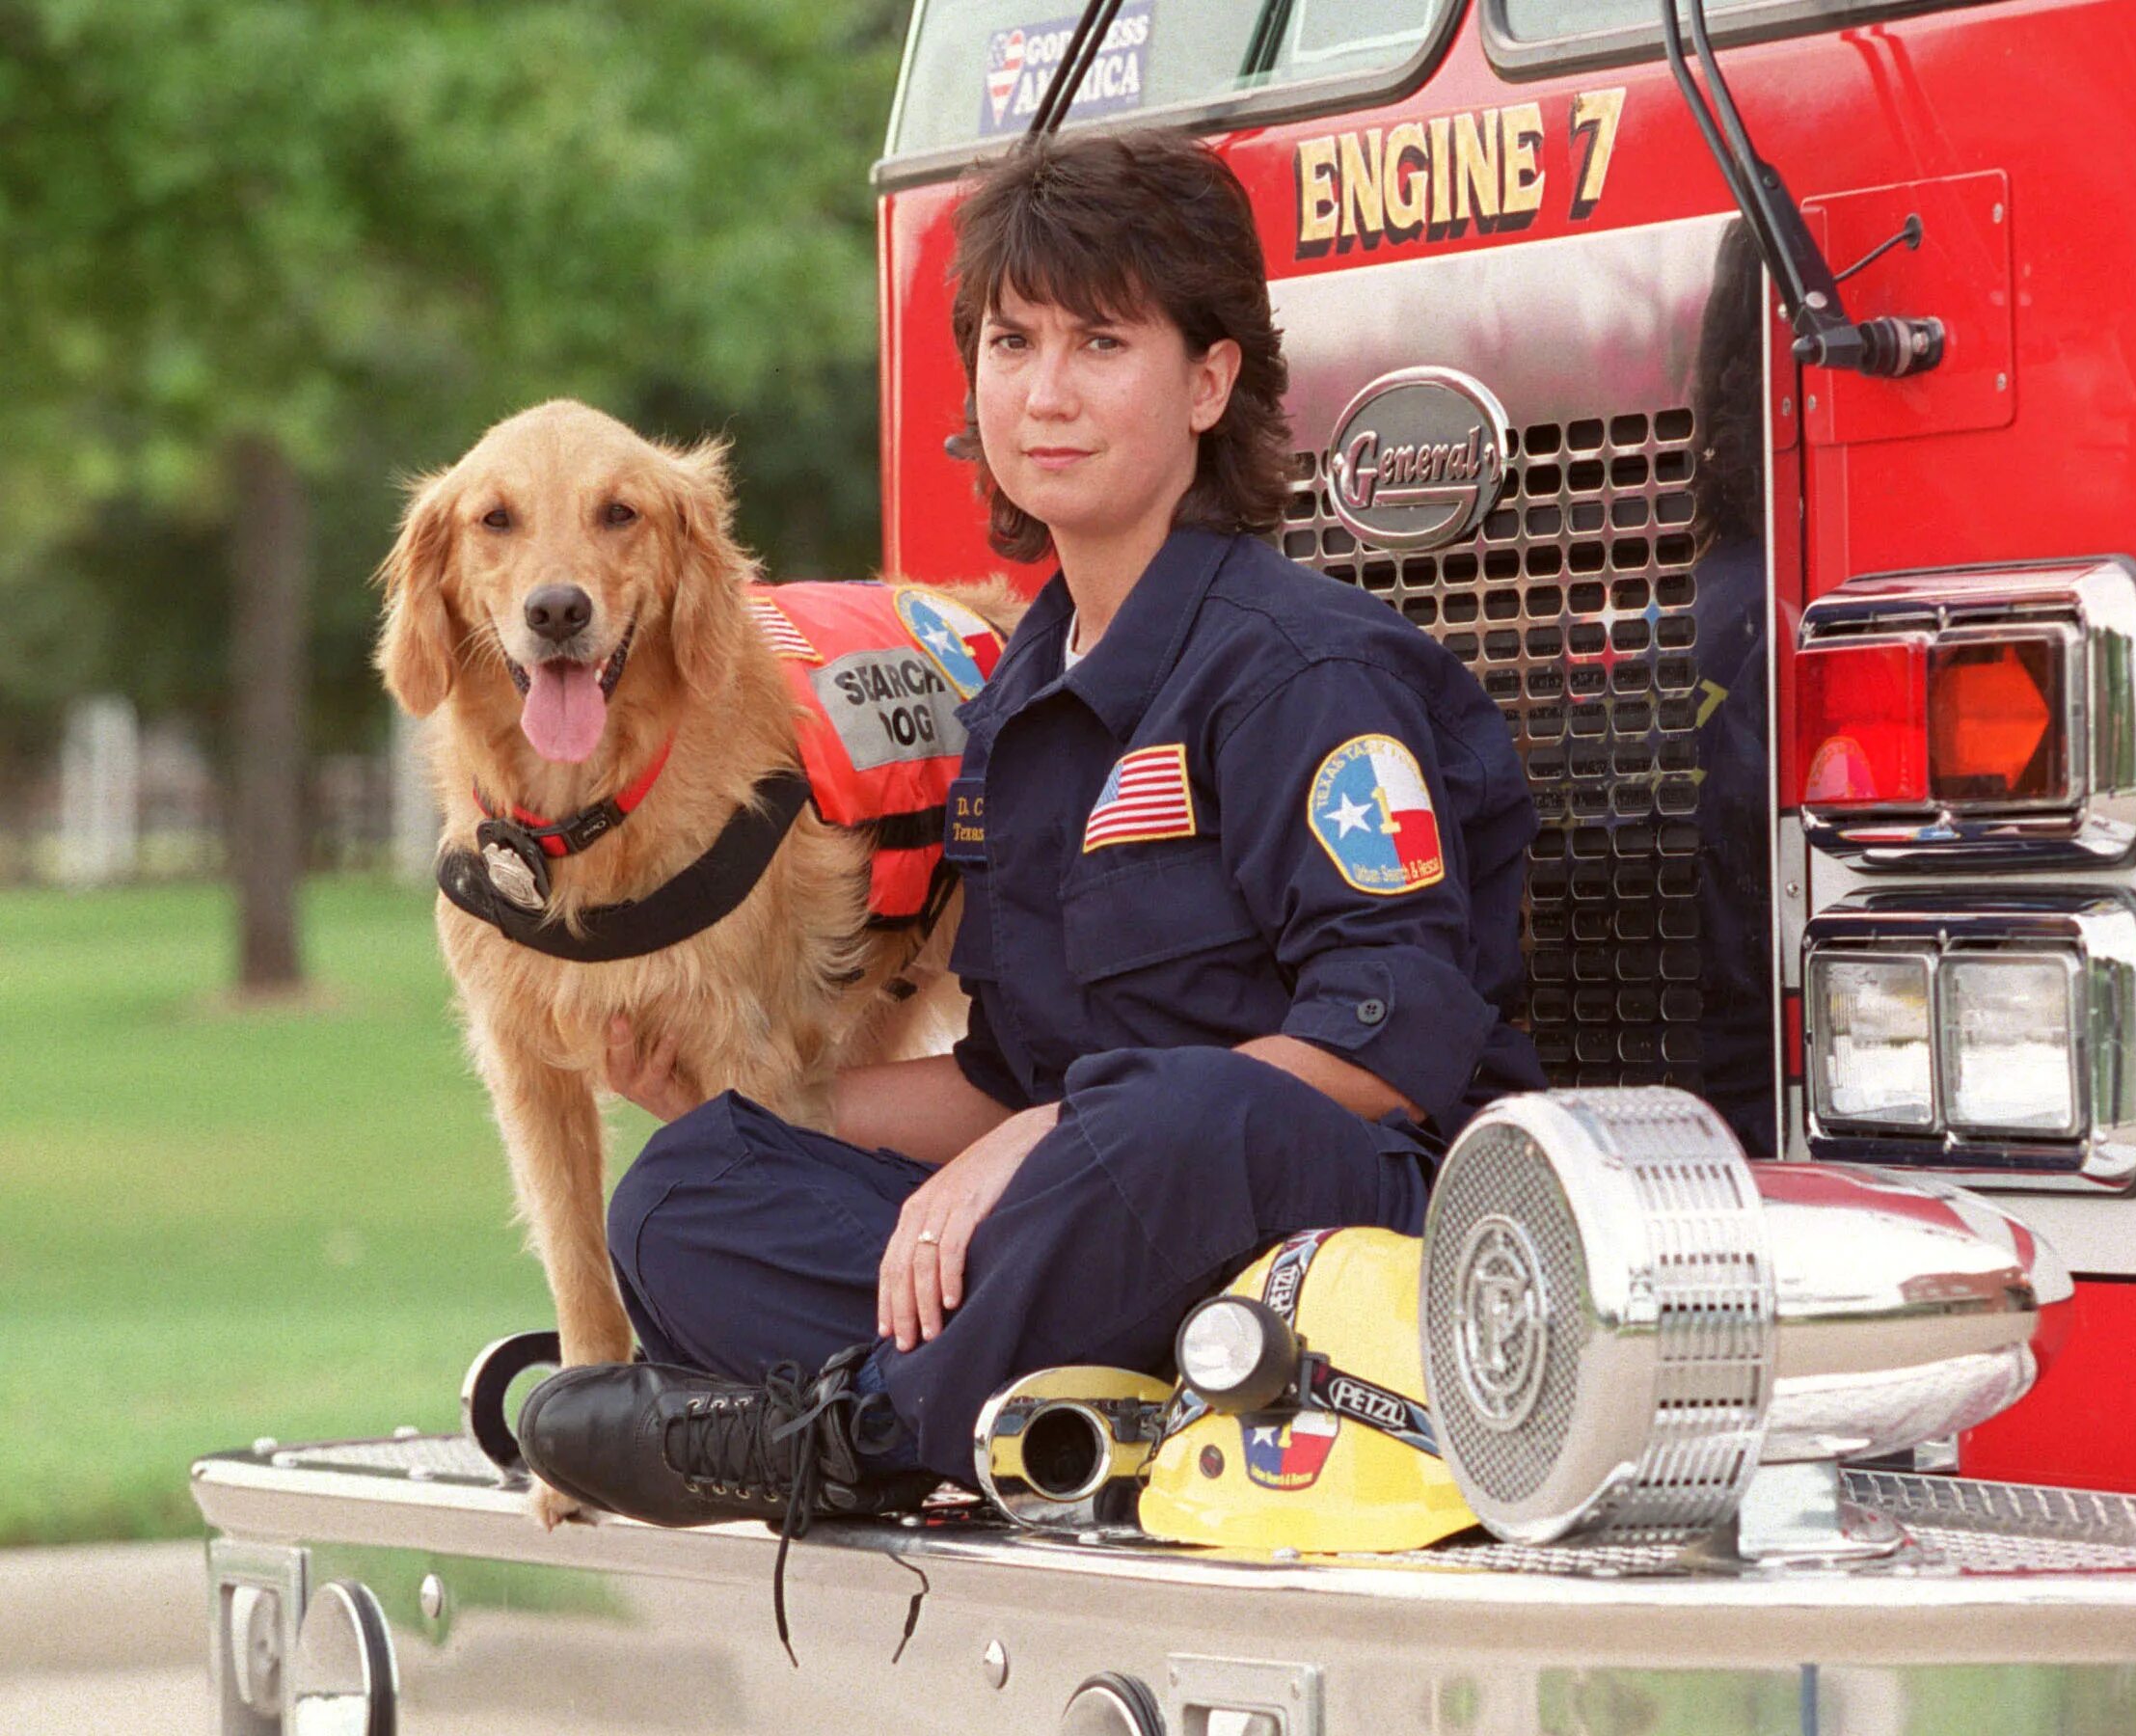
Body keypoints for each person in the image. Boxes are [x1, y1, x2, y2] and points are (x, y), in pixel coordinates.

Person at [518, 129, 1544, 1554]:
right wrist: (739, 1102)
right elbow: (1005, 1075)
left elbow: (1387, 1048)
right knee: (694, 1187)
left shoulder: (1306, 675)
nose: (1043, 393)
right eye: (1010, 343)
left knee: (1183, 1113)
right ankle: (1055, 1409)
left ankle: (857, 1432)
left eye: (1099, 344)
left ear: (1207, 380)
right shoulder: (1015, 694)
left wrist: (1054, 1134)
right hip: (1086, 1237)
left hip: (1329, 1237)